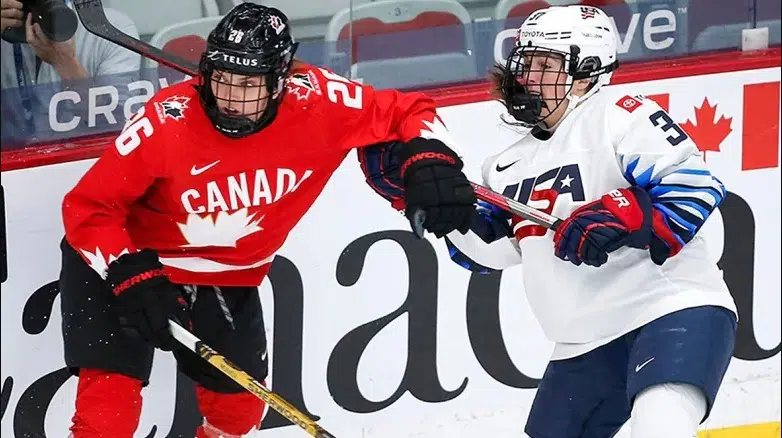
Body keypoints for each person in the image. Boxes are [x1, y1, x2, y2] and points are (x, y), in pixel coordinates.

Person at [58, 3, 475, 437]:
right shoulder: (167, 119)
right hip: (125, 260)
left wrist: (431, 159)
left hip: (224, 273)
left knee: (236, 417)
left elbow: (410, 109)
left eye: (248, 83)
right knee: (107, 417)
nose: (230, 98)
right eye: (222, 78)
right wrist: (130, 274)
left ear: (280, 82)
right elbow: (88, 207)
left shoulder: (321, 101)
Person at [427, 5, 737, 438]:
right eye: (526, 64)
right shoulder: (503, 166)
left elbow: (693, 187)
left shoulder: (620, 114)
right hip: (584, 340)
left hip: (670, 308)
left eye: (545, 66)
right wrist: (441, 208)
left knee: (660, 427)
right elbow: (491, 253)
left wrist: (626, 213)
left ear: (587, 72)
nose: (528, 77)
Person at [1, 0, 140, 146]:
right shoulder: (5, 25)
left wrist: (66, 64)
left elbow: (121, 130)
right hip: (13, 154)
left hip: (82, 154)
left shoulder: (111, 29)